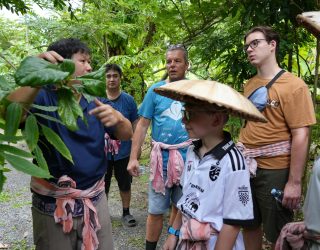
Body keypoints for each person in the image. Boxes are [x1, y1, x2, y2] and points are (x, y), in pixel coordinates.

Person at [8, 38, 133, 250]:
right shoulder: (40, 95)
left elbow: (126, 134)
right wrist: (37, 73)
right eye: (83, 60)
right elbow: (9, 113)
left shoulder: (93, 97)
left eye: (90, 61)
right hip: (52, 205)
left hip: (94, 198)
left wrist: (119, 119)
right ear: (60, 63)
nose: (90, 67)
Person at [239, 26, 316, 250]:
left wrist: (294, 182)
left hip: (275, 169)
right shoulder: (250, 84)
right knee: (249, 223)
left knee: (279, 233)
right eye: (247, 46)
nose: (249, 49)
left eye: (255, 43)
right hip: (247, 167)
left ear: (272, 45)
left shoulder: (294, 86)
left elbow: (301, 134)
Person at [161, 99, 254, 250]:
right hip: (188, 238)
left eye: (191, 114)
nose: (184, 119)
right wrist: (173, 233)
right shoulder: (192, 150)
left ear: (216, 119)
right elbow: (186, 197)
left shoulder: (233, 162)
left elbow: (234, 221)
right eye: (185, 113)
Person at [127, 44, 191, 250]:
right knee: (155, 211)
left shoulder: (195, 91)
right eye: (169, 61)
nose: (172, 65)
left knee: (181, 207)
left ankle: (174, 245)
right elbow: (143, 125)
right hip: (160, 162)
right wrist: (133, 158)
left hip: (189, 160)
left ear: (186, 65)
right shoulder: (156, 90)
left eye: (177, 61)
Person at [104, 63, 138, 227]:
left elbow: (136, 126)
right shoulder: (98, 99)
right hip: (101, 153)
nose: (112, 79)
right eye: (108, 76)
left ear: (120, 78)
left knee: (125, 183)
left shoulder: (128, 101)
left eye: (115, 76)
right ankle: (102, 214)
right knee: (102, 184)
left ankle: (126, 212)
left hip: (124, 151)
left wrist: (135, 150)